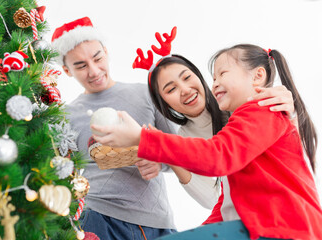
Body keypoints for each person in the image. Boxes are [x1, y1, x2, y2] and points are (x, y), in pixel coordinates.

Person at [92, 44, 322, 239]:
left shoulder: (261, 109)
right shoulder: (232, 124)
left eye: (222, 74)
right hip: (262, 225)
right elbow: (226, 202)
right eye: (170, 89)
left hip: (283, 227)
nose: (215, 83)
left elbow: (216, 156)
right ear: (164, 104)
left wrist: (144, 139)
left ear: (258, 76)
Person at [51, 17, 177, 240]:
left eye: (97, 58)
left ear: (107, 52)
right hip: (97, 219)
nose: (93, 70)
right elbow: (61, 173)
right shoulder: (65, 116)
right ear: (67, 71)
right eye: (80, 66)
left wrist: (159, 160)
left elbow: (179, 151)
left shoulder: (147, 93)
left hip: (157, 220)